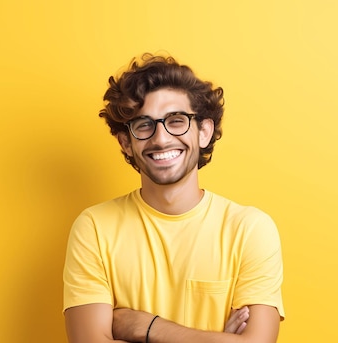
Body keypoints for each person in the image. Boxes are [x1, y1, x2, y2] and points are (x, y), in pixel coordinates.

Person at [62, 53, 284, 343]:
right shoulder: (94, 227)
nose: (161, 138)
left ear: (204, 131)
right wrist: (215, 339)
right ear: (126, 142)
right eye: (144, 125)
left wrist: (146, 327)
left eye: (176, 121)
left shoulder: (249, 229)